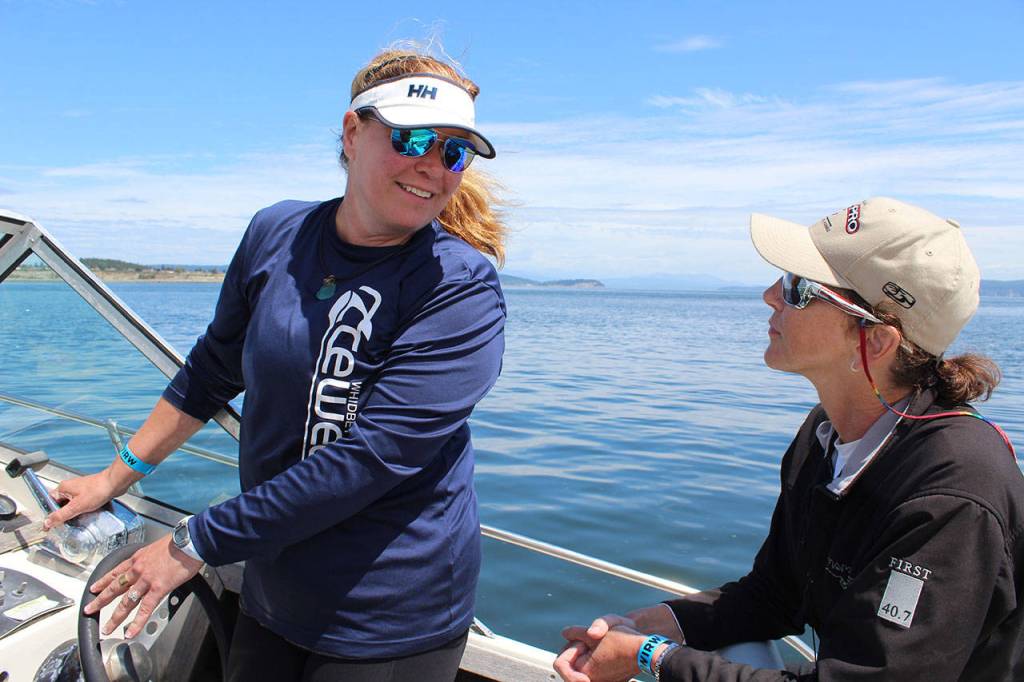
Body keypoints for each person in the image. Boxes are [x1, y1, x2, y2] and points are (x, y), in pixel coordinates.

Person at [45, 46, 507, 681]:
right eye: (413, 138)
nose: (432, 166)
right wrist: (112, 478)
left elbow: (371, 457)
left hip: (389, 617)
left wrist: (194, 543)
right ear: (353, 131)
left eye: (452, 152)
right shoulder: (276, 234)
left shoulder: (460, 288)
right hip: (273, 580)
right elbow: (211, 371)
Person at [555, 197, 1024, 681]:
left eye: (798, 288)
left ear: (877, 340)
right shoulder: (824, 436)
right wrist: (658, 624)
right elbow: (775, 595)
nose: (769, 295)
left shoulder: (955, 495)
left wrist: (651, 655)